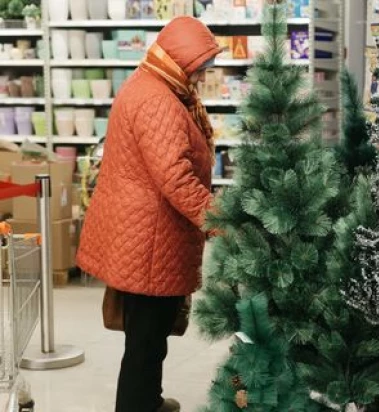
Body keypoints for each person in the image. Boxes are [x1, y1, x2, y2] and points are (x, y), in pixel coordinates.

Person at [76, 16, 222, 412]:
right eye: (198, 65)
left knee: (147, 336)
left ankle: (148, 401)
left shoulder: (155, 83)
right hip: (150, 241)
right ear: (179, 59)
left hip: (142, 233)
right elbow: (176, 178)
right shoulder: (157, 101)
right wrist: (219, 220)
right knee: (144, 340)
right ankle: (137, 406)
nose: (202, 74)